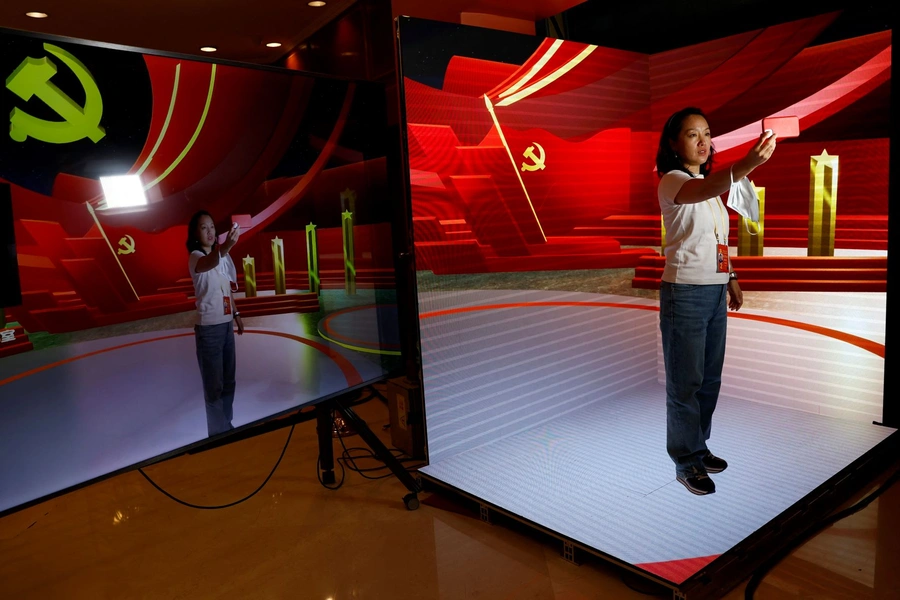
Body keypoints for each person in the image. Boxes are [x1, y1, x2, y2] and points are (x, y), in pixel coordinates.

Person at [655, 107, 776, 495]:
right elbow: (705, 190)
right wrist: (747, 164)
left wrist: (732, 277)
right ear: (674, 144)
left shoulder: (709, 189)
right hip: (684, 292)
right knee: (684, 383)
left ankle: (698, 446)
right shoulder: (673, 182)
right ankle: (685, 462)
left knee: (709, 380)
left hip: (712, 290)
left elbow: (717, 240)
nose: (704, 142)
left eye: (707, 133)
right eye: (693, 135)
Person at [186, 210, 244, 436]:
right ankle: (217, 434)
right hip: (209, 330)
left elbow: (226, 287)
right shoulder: (196, 257)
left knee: (229, 382)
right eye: (204, 227)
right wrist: (226, 247)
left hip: (227, 325)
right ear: (196, 233)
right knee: (214, 388)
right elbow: (210, 263)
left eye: (212, 226)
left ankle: (226, 426)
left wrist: (236, 314)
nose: (210, 231)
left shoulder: (222, 256)